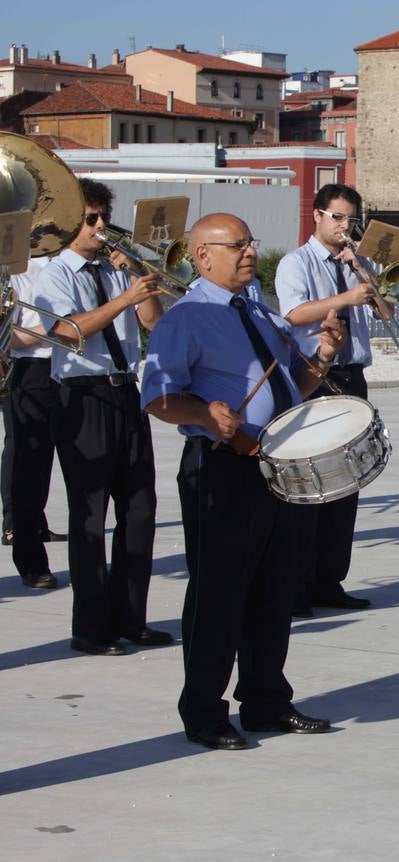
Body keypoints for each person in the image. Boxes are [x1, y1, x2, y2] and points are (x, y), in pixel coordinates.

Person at [141, 212, 344, 750]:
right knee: (220, 594)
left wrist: (322, 357)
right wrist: (209, 415)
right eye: (237, 245)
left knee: (274, 591)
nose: (250, 253)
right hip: (222, 466)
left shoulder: (257, 309)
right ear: (202, 255)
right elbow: (159, 396)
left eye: (252, 243)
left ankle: (265, 701)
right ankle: (205, 711)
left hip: (274, 464)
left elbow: (293, 387)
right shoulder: (184, 319)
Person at [34, 179, 170, 655]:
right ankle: (90, 628)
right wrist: (123, 300)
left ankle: (131, 618)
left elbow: (151, 321)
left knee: (140, 512)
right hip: (81, 396)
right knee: (89, 518)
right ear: (72, 223)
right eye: (90, 220)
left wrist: (139, 281)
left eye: (103, 219)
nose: (99, 229)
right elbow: (66, 331)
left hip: (125, 392)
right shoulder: (53, 274)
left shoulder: (117, 270)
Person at [275, 184, 391, 617]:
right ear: (317, 216)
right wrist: (346, 297)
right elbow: (293, 315)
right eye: (338, 218)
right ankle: (297, 584)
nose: (345, 227)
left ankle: (329, 579)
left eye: (351, 220)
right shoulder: (296, 263)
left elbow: (385, 313)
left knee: (347, 486)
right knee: (311, 487)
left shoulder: (357, 263)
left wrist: (365, 276)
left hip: (352, 375)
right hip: (315, 376)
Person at [3, 255, 66, 588]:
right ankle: (30, 559)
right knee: (30, 468)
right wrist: (64, 325)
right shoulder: (15, 269)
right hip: (33, 371)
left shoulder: (70, 265)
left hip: (75, 370)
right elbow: (11, 335)